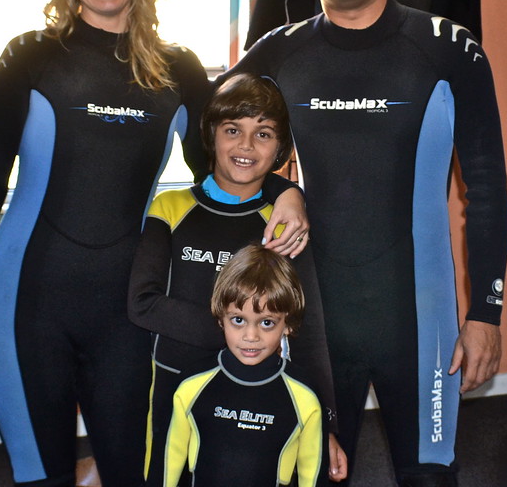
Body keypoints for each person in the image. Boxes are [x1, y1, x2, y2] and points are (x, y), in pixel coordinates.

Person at [0, 0, 307, 487]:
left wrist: (284, 192)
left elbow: (227, 170)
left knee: (136, 473)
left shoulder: (178, 69)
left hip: (127, 312)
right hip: (22, 302)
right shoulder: (30, 59)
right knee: (39, 474)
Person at [222, 0, 507, 487]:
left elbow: (484, 188)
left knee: (431, 476)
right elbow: (217, 141)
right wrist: (284, 190)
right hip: (314, 322)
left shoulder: (450, 50)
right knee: (312, 476)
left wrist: (485, 311)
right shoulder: (279, 54)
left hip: (421, 319)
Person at [128, 73, 347, 485]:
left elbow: (308, 326)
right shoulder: (171, 207)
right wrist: (246, 331)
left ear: (280, 147)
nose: (246, 146)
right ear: (212, 135)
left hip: (260, 389)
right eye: (233, 130)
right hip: (176, 386)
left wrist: (327, 423)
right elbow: (143, 303)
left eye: (262, 134)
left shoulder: (283, 223)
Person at [163, 243, 330, 487]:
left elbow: (312, 473)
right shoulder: (191, 384)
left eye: (267, 323)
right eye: (238, 320)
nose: (250, 336)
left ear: (288, 324)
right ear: (221, 317)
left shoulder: (304, 396)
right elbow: (169, 460)